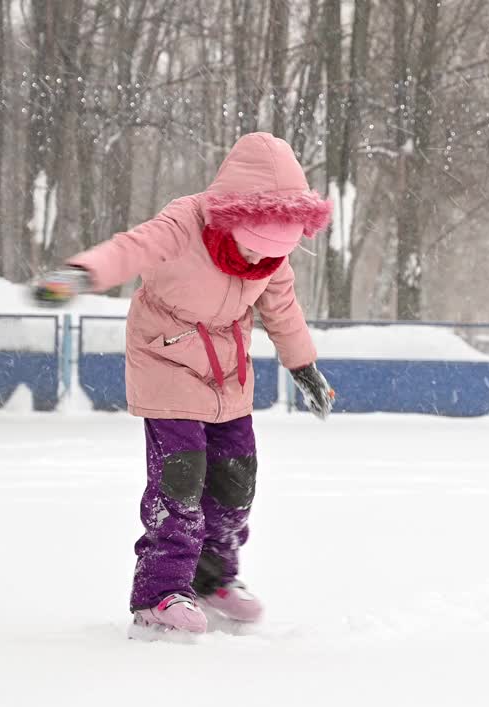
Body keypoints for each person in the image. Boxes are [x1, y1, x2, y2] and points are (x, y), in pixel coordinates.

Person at [32, 132, 336, 640]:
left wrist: (305, 369)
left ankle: (214, 576)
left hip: (228, 375)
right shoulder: (185, 222)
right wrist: (81, 275)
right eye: (255, 251)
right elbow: (132, 249)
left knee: (237, 478)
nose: (262, 264)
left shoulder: (273, 255)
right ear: (232, 219)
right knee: (181, 476)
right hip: (165, 356)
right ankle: (159, 593)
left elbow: (281, 308)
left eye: (273, 256)